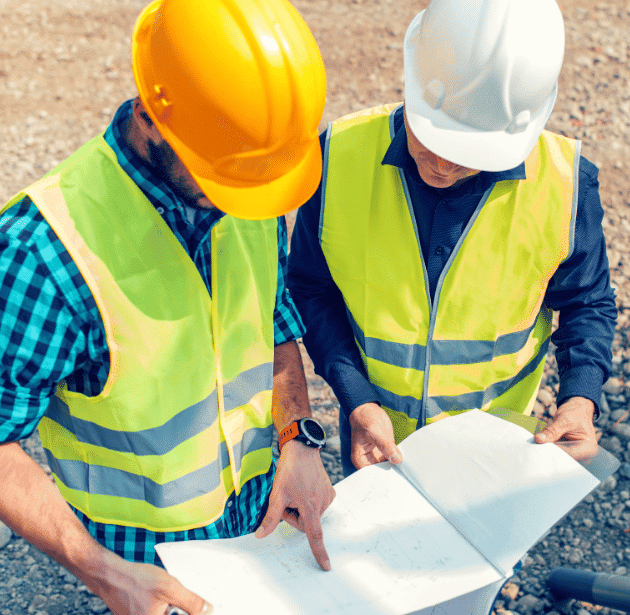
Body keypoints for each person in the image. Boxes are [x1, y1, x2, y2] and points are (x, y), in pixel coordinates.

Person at [0, 0, 335, 613]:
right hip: (144, 563)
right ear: (156, 117)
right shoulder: (45, 251)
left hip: (258, 524)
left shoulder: (247, 182)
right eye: (226, 176)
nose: (246, 199)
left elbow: (275, 318)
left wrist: (298, 439)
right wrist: (104, 574)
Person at [288, 0, 618, 478]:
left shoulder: (565, 185)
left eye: (467, 152)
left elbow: (587, 302)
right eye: (433, 140)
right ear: (413, 82)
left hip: (498, 455)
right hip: (377, 446)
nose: (443, 165)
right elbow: (311, 290)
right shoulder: (339, 158)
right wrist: (355, 399)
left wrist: (581, 396)